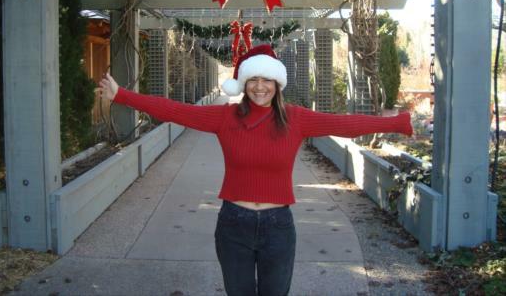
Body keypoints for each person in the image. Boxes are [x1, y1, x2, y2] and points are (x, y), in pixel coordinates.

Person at [98, 44, 412, 296]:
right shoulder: (225, 117)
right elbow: (176, 111)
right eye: (253, 80)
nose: (260, 87)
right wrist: (121, 95)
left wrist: (396, 123)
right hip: (234, 223)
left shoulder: (296, 118)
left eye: (266, 80)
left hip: (279, 227)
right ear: (244, 83)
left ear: (277, 83)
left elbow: (344, 124)